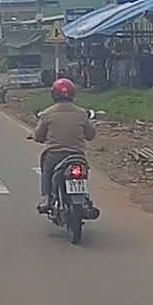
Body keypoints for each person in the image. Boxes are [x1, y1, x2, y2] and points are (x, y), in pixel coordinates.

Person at [32, 77, 96, 213]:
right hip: (77, 155)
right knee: (83, 172)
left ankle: (46, 198)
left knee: (46, 170)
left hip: (54, 155)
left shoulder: (47, 113)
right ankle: (84, 197)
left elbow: (38, 136)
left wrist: (37, 138)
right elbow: (90, 135)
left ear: (53, 94)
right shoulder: (82, 113)